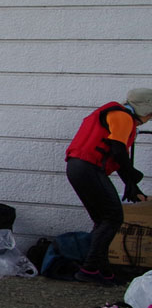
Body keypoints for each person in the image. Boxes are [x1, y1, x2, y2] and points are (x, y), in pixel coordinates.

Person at [65, 89, 152, 284]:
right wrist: (132, 176)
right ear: (144, 109)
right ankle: (89, 269)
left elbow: (115, 153)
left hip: (77, 167)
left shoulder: (117, 114)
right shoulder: (123, 117)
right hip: (88, 169)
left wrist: (131, 185)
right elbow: (118, 150)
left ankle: (103, 271)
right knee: (113, 217)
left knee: (103, 219)